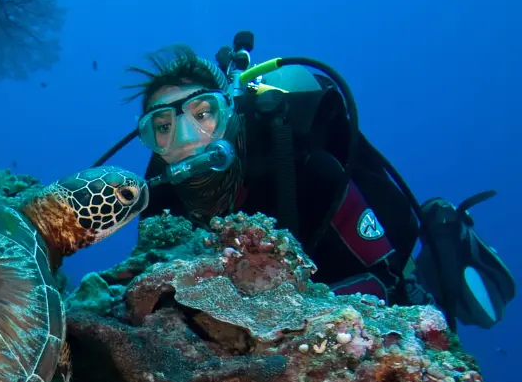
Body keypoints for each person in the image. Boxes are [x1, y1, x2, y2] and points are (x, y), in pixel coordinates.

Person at [93, 33, 515, 331]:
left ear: (230, 113)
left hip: (347, 286)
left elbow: (384, 275)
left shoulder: (302, 165)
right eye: (162, 126)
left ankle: (446, 241)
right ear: (149, 139)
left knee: (418, 302)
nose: (185, 140)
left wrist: (297, 320)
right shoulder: (159, 194)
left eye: (203, 115)